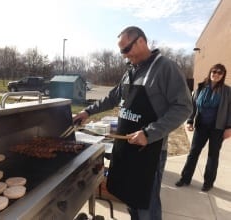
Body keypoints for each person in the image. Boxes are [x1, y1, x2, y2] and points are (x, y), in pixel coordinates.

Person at [73, 26, 192, 220]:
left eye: (127, 50)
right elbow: (112, 98)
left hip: (149, 152)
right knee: (129, 199)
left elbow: (184, 107)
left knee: (146, 206)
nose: (124, 56)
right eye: (122, 52)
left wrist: (149, 133)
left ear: (141, 42)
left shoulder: (165, 68)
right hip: (126, 148)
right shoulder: (130, 71)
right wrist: (87, 112)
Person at [175, 63, 231, 192]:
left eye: (219, 73)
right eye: (214, 71)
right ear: (210, 72)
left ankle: (208, 183)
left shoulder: (227, 91)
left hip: (218, 128)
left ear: (223, 76)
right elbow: (193, 106)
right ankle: (185, 178)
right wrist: (190, 121)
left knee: (213, 155)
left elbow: (229, 111)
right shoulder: (201, 87)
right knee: (193, 153)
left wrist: (229, 127)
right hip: (201, 126)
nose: (216, 74)